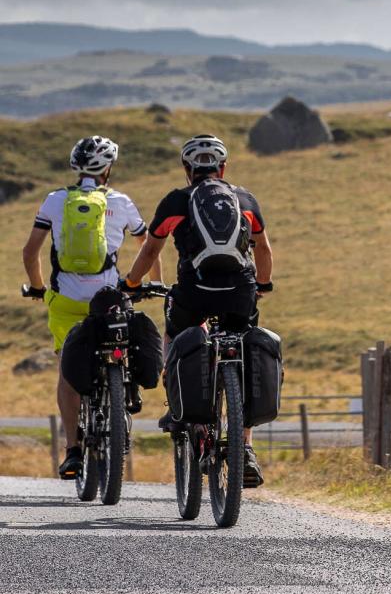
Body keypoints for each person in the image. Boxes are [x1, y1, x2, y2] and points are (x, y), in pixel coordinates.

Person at [121, 134, 273, 485]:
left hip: (195, 292)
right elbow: (262, 248)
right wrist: (262, 286)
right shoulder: (244, 198)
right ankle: (245, 447)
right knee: (245, 347)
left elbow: (150, 251)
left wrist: (131, 283)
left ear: (187, 169)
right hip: (240, 292)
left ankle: (179, 409)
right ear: (223, 167)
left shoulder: (176, 200)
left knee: (176, 333)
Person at [22, 135, 160, 479]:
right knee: (120, 347)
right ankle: (124, 392)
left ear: (75, 167)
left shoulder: (55, 201)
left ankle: (72, 450)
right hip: (108, 301)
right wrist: (149, 284)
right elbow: (148, 248)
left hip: (66, 303)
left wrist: (39, 289)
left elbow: (30, 252)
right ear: (108, 169)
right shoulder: (122, 202)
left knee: (67, 371)